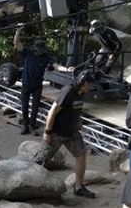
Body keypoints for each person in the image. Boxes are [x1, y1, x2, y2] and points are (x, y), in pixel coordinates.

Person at [36, 69, 96, 198]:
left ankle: (79, 187)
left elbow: (76, 110)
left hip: (72, 132)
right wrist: (47, 133)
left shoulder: (82, 93)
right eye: (90, 84)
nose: (92, 87)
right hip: (56, 132)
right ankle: (28, 184)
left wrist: (78, 123)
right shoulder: (68, 91)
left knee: (81, 154)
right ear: (83, 82)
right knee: (41, 161)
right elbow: (52, 112)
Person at [13, 27, 68, 135]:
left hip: (37, 85)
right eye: (39, 50)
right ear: (35, 49)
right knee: (24, 106)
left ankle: (32, 125)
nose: (40, 52)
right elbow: (16, 43)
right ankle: (25, 126)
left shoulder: (45, 56)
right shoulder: (27, 52)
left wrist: (66, 69)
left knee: (35, 106)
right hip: (26, 83)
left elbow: (55, 65)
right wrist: (18, 31)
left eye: (42, 51)